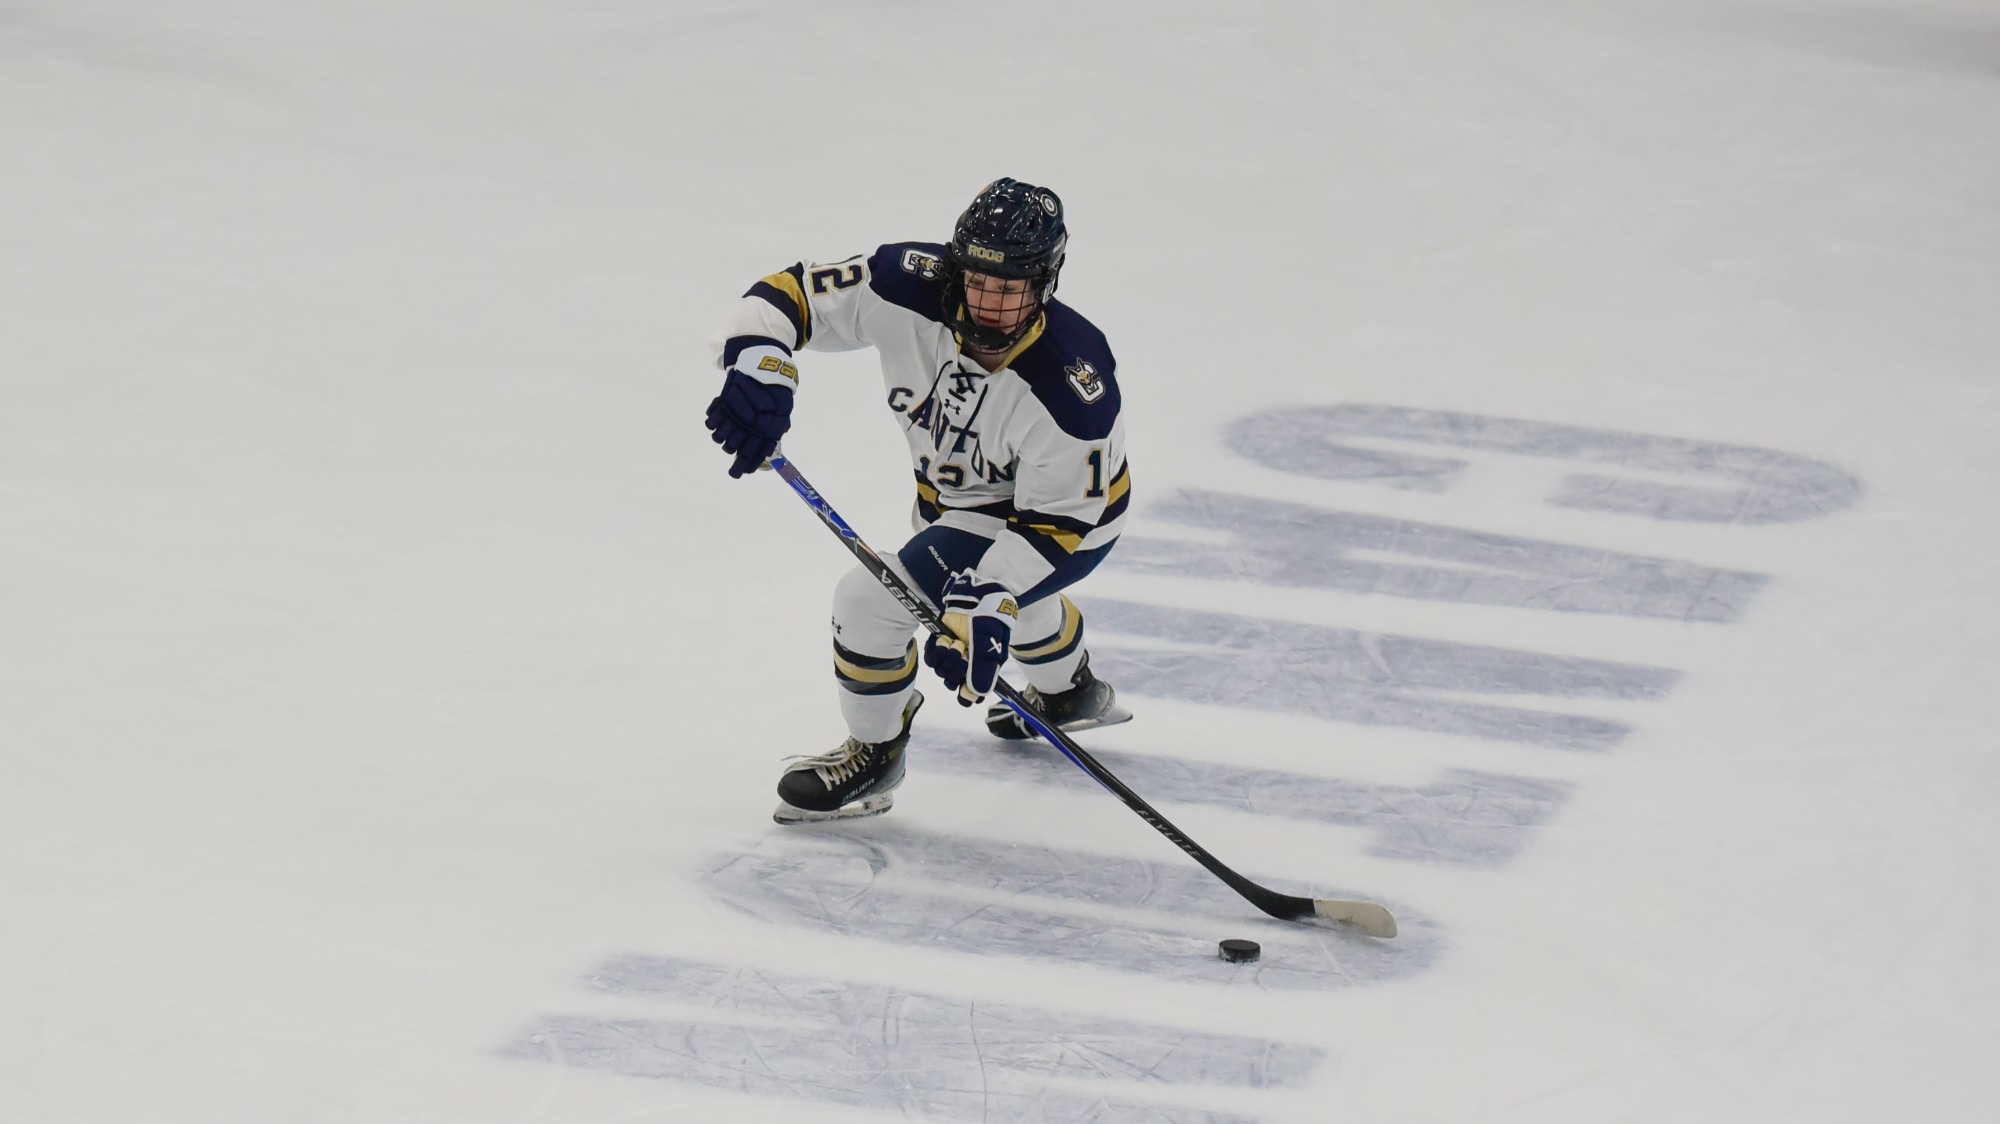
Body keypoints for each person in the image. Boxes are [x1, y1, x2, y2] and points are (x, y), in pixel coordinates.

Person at [704, 178, 1133, 824]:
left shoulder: (1074, 385)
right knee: (1009, 607)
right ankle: (1071, 691)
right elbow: (790, 295)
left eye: (1010, 289)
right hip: (957, 502)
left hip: (1069, 523)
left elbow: (1053, 525)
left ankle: (876, 754)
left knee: (869, 603)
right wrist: (761, 362)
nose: (987, 306)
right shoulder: (904, 283)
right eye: (977, 281)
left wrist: (986, 596)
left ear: (1046, 284)